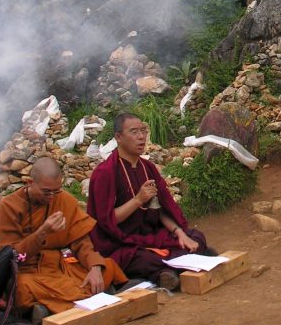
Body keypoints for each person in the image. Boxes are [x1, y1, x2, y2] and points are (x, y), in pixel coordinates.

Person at [87, 112, 214, 291]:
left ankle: (168, 272)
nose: (141, 137)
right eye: (134, 132)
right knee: (142, 259)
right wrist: (138, 199)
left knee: (195, 237)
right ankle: (167, 272)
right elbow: (107, 220)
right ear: (118, 137)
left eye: (143, 131)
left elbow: (161, 209)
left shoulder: (148, 168)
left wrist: (179, 233)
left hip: (151, 236)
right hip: (123, 243)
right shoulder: (105, 172)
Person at [0, 157, 128, 321]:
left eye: (56, 191)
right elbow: (11, 256)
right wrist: (42, 233)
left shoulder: (64, 200)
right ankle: (87, 299)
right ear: (29, 182)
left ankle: (47, 308)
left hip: (60, 266)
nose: (52, 197)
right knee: (21, 287)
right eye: (46, 192)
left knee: (106, 267)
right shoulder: (9, 207)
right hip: (27, 270)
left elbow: (81, 242)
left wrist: (94, 267)